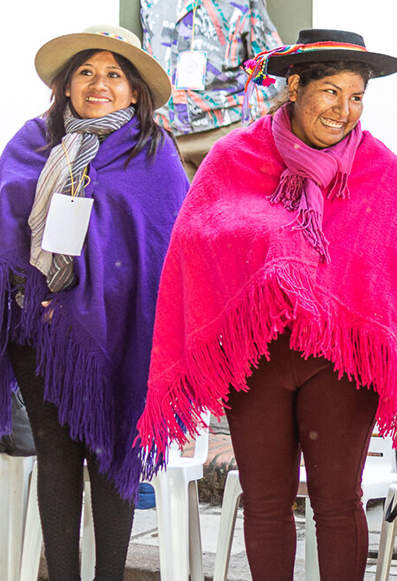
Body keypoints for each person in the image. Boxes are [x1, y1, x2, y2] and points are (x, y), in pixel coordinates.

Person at [136, 29, 397, 580]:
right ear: (293, 87)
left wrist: (304, 268)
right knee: (264, 504)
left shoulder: (382, 173)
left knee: (336, 502)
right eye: (331, 91)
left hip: (339, 362)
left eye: (356, 97)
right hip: (257, 358)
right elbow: (195, 244)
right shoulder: (234, 157)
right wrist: (275, 251)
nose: (344, 110)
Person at [0, 25, 187, 578]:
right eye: (86, 72)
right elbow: (7, 234)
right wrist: (32, 299)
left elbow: (164, 249)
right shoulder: (31, 143)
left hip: (125, 331)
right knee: (57, 460)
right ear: (65, 85)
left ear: (134, 91)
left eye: (114, 74)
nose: (98, 84)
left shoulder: (155, 154)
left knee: (112, 458)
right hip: (42, 336)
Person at [141, 0, 284, 180]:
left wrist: (251, 129)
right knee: (174, 207)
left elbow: (269, 65)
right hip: (164, 134)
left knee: (230, 206)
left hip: (225, 129)